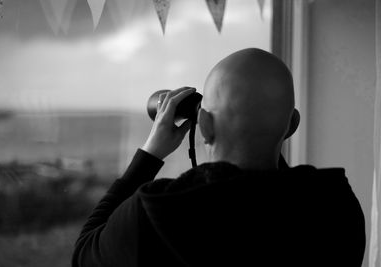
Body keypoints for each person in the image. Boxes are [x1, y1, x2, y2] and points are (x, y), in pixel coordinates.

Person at [72, 48, 365, 266]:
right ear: (291, 126)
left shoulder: (156, 210)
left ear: (205, 125)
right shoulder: (336, 205)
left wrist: (150, 154)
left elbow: (84, 253)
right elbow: (273, 192)